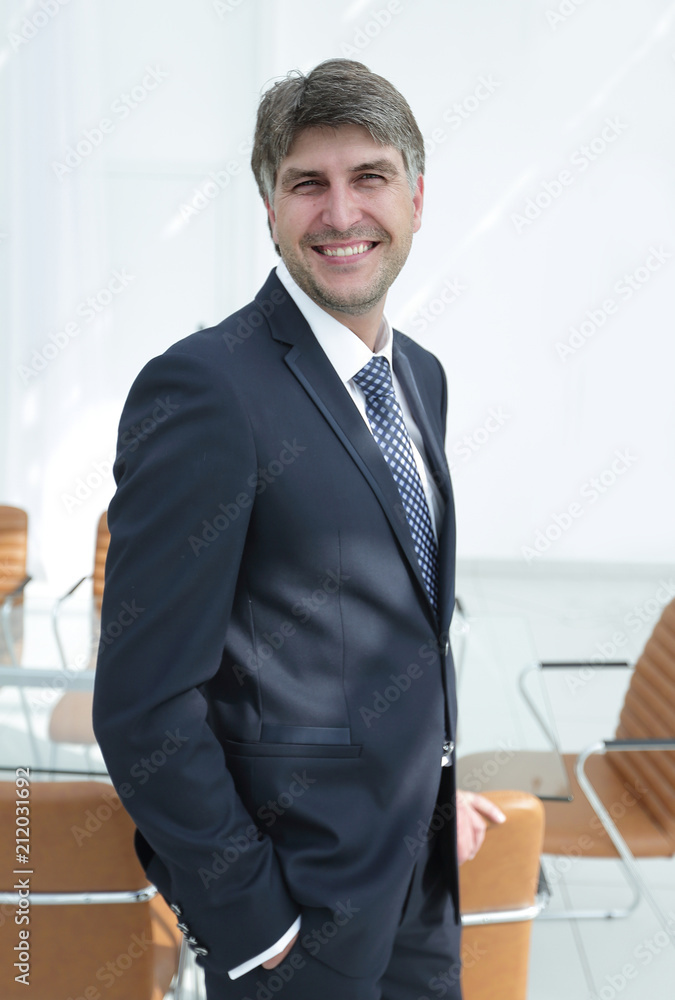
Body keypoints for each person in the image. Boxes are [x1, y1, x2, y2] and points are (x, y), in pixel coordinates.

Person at [93, 58, 504, 1000]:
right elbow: (143, 702)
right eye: (306, 184)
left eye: (369, 177)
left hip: (418, 881)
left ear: (416, 196)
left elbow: (384, 626)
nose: (341, 211)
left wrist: (431, 786)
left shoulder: (420, 378)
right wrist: (251, 918)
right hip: (299, 920)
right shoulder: (205, 389)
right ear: (270, 211)